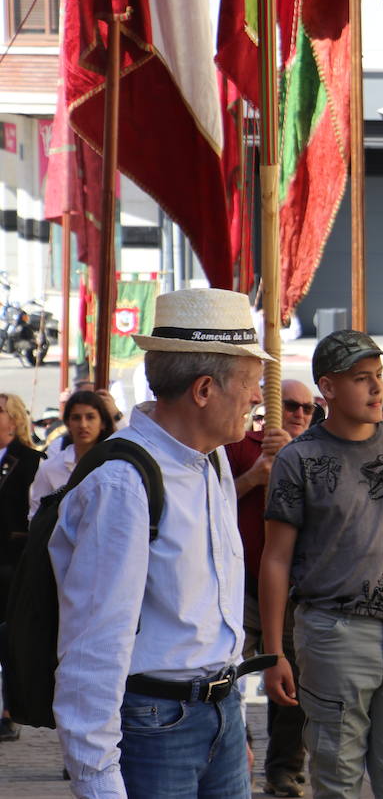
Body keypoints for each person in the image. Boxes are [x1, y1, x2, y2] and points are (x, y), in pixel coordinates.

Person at [48, 287, 275, 796]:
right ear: (203, 390)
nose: (258, 397)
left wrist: (225, 720)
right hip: (154, 725)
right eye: (249, 383)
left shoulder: (211, 457)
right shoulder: (124, 484)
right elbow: (94, 646)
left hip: (216, 713)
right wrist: (99, 780)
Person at [260, 330, 383, 799]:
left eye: (378, 376)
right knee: (336, 779)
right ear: (328, 389)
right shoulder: (299, 459)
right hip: (332, 633)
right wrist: (275, 651)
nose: (376, 388)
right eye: (362, 379)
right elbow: (275, 559)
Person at [228, 378, 314, 797]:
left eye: (307, 408)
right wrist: (256, 475)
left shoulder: (317, 454)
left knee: (293, 684)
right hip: (240, 583)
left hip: (294, 588)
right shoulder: (241, 447)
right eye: (292, 406)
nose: (298, 414)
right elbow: (214, 502)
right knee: (226, 676)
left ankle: (284, 769)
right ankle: (233, 754)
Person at [0, 390, 42, 742]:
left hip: (11, 562)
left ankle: (10, 710)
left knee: (9, 637)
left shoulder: (29, 460)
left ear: (13, 418)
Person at [27, 391, 115, 521]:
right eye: (76, 418)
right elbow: (36, 517)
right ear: (68, 423)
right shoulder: (50, 468)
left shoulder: (114, 466)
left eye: (90, 417)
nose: (83, 425)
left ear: (102, 423)